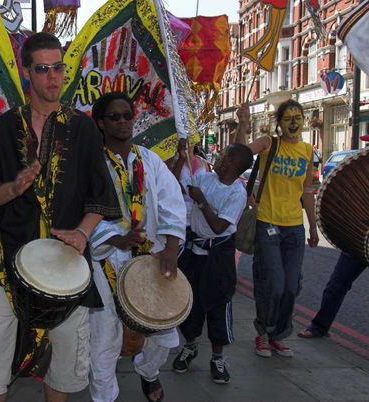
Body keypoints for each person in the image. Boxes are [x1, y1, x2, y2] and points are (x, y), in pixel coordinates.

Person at [0, 32, 120, 401]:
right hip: (8, 256)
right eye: (43, 69)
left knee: (68, 360)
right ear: (27, 73)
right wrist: (14, 188)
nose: (54, 76)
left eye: (59, 67)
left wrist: (82, 235)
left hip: (67, 260)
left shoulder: (83, 127)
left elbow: (100, 194)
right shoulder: (5, 127)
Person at [87, 92, 186, 402]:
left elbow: (171, 203)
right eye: (114, 117)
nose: (122, 121)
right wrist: (116, 238)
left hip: (149, 258)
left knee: (166, 334)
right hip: (106, 263)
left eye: (127, 115)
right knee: (104, 340)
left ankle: (148, 371)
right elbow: (80, 211)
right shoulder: (90, 163)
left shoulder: (149, 159)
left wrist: (170, 248)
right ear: (101, 123)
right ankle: (105, 397)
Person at [236, 99, 318, 358]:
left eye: (298, 117)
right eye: (288, 118)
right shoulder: (269, 144)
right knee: (273, 283)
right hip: (267, 223)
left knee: (292, 286)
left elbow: (306, 193)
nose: (294, 122)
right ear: (279, 123)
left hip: (294, 228)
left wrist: (313, 228)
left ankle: (278, 336)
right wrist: (243, 125)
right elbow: (239, 155)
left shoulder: (307, 151)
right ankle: (262, 333)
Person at [172, 144, 253, 385]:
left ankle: (218, 357)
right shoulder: (205, 178)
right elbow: (176, 185)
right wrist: (181, 158)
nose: (216, 158)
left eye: (223, 155)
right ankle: (190, 346)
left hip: (218, 257)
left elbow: (219, 227)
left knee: (218, 304)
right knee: (191, 304)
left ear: (231, 163)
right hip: (194, 253)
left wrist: (202, 202)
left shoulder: (237, 193)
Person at [298, 251, 366, 338]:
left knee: (336, 285)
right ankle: (319, 327)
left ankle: (319, 327)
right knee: (336, 285)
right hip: (355, 247)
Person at [167, 138, 210, 227]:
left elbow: (208, 186)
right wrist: (181, 159)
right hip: (180, 213)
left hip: (198, 213)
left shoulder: (203, 162)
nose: (187, 142)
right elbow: (171, 185)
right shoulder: (174, 161)